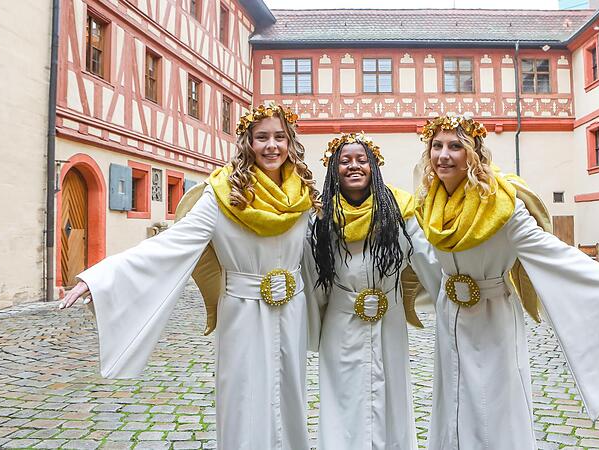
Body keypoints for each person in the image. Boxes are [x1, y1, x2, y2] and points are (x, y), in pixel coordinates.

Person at [59, 103, 321, 449]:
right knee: (243, 395)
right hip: (242, 310)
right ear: (248, 143)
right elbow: (172, 242)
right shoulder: (223, 194)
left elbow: (321, 253)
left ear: (290, 143)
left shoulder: (303, 194)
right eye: (261, 138)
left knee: (290, 392)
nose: (271, 146)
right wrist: (100, 277)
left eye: (279, 137)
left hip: (292, 310)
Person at [413, 114, 599, 449]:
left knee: (490, 406)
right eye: (437, 146)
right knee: (451, 400)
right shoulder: (429, 204)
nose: (444, 155)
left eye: (455, 146)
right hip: (449, 316)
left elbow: (555, 253)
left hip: (492, 317)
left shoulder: (501, 206)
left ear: (472, 153)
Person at [306, 132, 441, 450]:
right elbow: (313, 277)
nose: (354, 165)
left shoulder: (398, 209)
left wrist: (455, 292)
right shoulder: (321, 216)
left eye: (361, 159)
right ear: (333, 169)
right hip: (341, 325)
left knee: (391, 399)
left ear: (373, 166)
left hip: (389, 323)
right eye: (345, 160)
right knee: (343, 402)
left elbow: (425, 258)